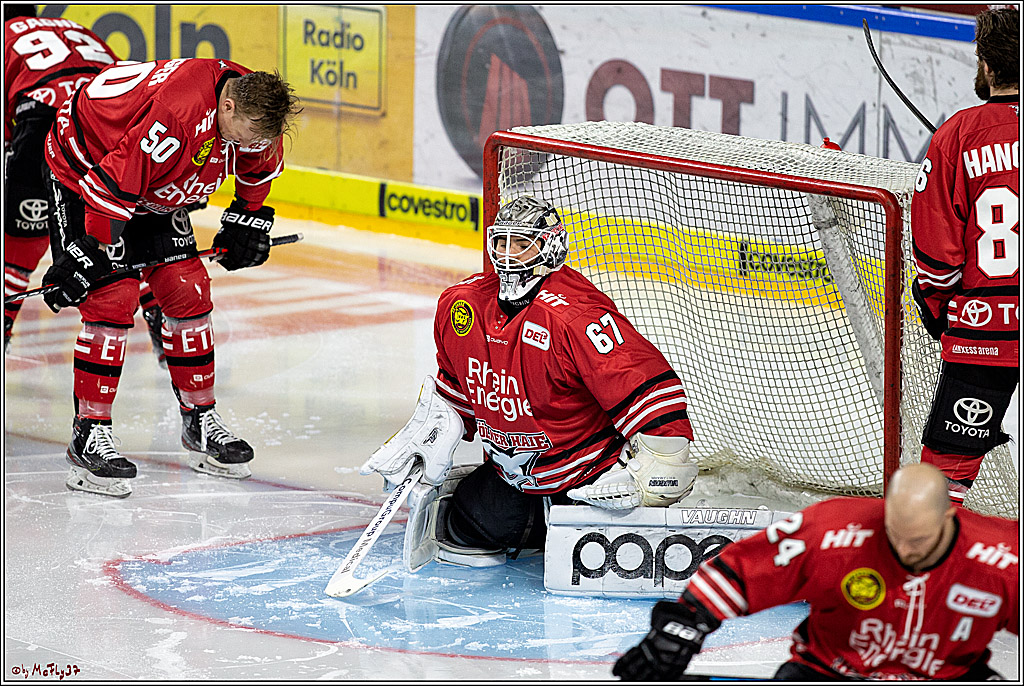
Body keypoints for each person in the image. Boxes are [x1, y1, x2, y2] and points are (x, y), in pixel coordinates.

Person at [360, 195, 698, 567]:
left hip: (588, 484)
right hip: (512, 479)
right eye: (501, 242)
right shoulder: (462, 305)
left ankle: (562, 523)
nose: (508, 254)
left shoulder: (577, 318)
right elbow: (456, 396)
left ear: (550, 246)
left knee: (595, 543)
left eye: (523, 244)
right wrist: (426, 441)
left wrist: (652, 479)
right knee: (464, 525)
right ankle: (530, 526)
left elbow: (652, 396)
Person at [41, 55, 301, 497]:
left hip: (154, 183)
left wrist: (247, 219)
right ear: (229, 109)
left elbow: (257, 171)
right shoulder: (178, 111)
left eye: (266, 137)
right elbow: (116, 180)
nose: (257, 144)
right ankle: (89, 431)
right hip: (89, 168)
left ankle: (200, 420)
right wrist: (88, 253)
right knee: (111, 296)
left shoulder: (258, 119)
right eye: (251, 135)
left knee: (188, 288)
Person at [614, 462, 1019, 681]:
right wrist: (681, 627)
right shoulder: (834, 529)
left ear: (951, 516)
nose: (903, 550)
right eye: (894, 535)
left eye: (918, 541)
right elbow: (741, 572)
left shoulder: (1004, 555)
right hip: (828, 673)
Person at [910, 8, 1019, 505]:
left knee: (941, 485)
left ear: (989, 67)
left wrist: (938, 310)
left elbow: (937, 258)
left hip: (986, 333)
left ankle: (925, 579)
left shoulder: (959, 133)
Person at [3, 6, 116, 351]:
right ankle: (160, 325)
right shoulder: (75, 26)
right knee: (121, 232)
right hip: (108, 117)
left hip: (45, 120)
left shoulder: (7, 33)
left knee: (22, 236)